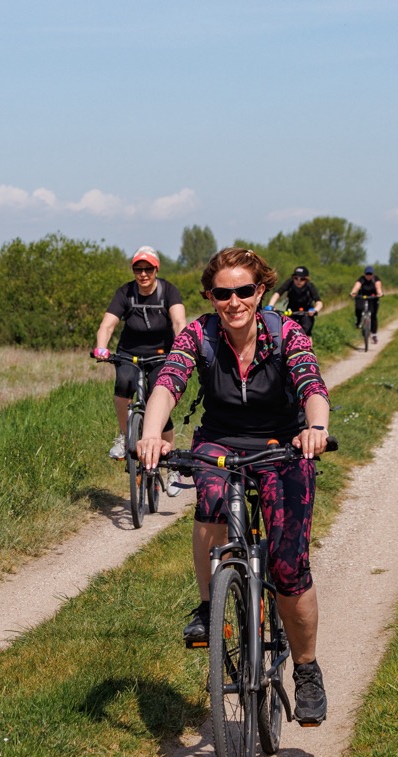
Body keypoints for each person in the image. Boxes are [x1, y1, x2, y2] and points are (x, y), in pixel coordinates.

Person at [136, 247, 332, 725]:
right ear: (211, 296)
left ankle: (306, 670)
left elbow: (311, 385)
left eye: (244, 291)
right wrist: (150, 434)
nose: (234, 301)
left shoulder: (286, 333)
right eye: (222, 293)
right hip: (221, 440)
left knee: (288, 567)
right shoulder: (198, 334)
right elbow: (169, 381)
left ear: (260, 290)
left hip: (283, 445)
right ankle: (210, 606)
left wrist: (316, 430)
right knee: (210, 504)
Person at [92, 246, 187, 484]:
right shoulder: (125, 292)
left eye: (147, 269)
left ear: (156, 269)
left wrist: (182, 351)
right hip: (129, 353)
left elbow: (179, 322)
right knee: (123, 385)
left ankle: (172, 463)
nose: (143, 274)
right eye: (138, 269)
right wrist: (102, 347)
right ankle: (126, 438)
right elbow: (107, 325)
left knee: (160, 399)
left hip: (162, 354)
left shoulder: (169, 291)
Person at [267, 265, 323, 336]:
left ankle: (307, 346)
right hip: (291, 310)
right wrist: (270, 305)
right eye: (296, 278)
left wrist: (315, 310)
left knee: (306, 332)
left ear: (306, 279)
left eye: (302, 279)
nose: (298, 281)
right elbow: (278, 293)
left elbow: (319, 302)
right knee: (286, 330)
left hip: (306, 312)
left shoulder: (310, 286)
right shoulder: (290, 282)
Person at [349, 265, 383, 343]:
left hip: (373, 297)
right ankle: (358, 321)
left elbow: (378, 287)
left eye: (370, 274)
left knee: (373, 315)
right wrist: (353, 292)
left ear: (373, 274)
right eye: (367, 274)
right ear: (364, 274)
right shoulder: (361, 279)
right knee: (358, 308)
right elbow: (356, 287)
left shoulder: (376, 279)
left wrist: (379, 293)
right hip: (362, 296)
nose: (369, 276)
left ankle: (374, 334)